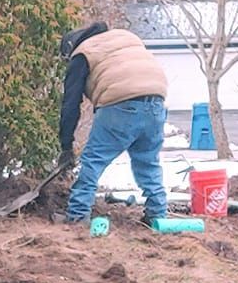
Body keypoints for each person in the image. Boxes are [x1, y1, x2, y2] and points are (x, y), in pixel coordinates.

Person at [58, 21, 170, 227]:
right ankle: (157, 214)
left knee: (93, 160)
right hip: (157, 100)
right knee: (148, 162)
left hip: (120, 104)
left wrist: (65, 146)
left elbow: (71, 104)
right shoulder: (125, 37)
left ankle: (77, 214)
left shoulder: (82, 54)